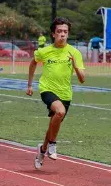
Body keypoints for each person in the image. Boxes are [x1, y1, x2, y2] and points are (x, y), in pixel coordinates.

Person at [26, 17, 85, 170]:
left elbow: (82, 79)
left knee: (54, 123)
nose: (62, 34)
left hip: (65, 94)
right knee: (60, 111)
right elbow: (33, 63)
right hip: (47, 89)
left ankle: (42, 151)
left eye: (65, 32)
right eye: (59, 31)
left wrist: (76, 67)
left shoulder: (74, 53)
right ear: (53, 34)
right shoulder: (44, 51)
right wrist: (30, 85)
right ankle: (52, 144)